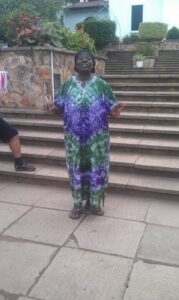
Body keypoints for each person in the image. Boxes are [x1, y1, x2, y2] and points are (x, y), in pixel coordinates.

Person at [44, 49, 124, 219]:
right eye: (81, 59)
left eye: (88, 59)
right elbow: (58, 107)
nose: (85, 61)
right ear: (75, 64)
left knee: (96, 167)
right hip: (74, 139)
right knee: (76, 169)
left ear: (94, 64)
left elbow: (112, 108)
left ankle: (94, 203)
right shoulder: (68, 85)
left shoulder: (102, 85)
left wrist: (115, 112)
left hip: (97, 140)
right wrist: (52, 109)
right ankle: (77, 204)